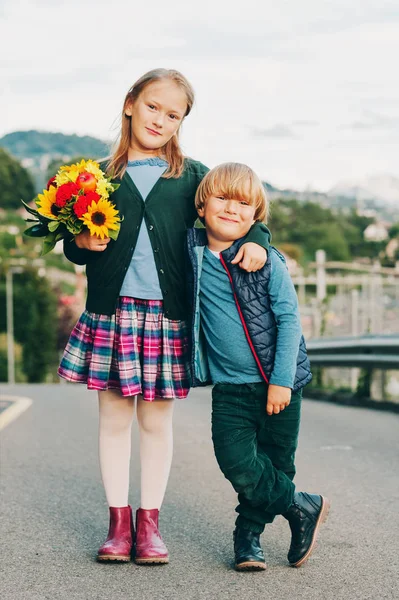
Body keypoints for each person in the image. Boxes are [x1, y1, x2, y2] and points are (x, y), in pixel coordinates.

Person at [58, 69, 271, 565]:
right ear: (130, 103)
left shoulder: (193, 177)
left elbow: (239, 213)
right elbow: (74, 243)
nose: (160, 120)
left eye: (172, 115)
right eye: (153, 107)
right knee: (113, 420)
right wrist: (79, 243)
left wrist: (258, 242)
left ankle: (150, 525)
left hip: (166, 319)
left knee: (155, 422)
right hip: (112, 314)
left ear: (181, 123)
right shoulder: (94, 178)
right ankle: (118, 523)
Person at [186, 162, 330, 571]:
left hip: (279, 383)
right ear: (201, 205)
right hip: (230, 387)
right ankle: (302, 505)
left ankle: (247, 538)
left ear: (255, 216)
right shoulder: (191, 251)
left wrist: (281, 382)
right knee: (236, 461)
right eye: (223, 198)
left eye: (244, 203)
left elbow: (289, 321)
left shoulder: (267, 261)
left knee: (276, 462)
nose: (232, 208)